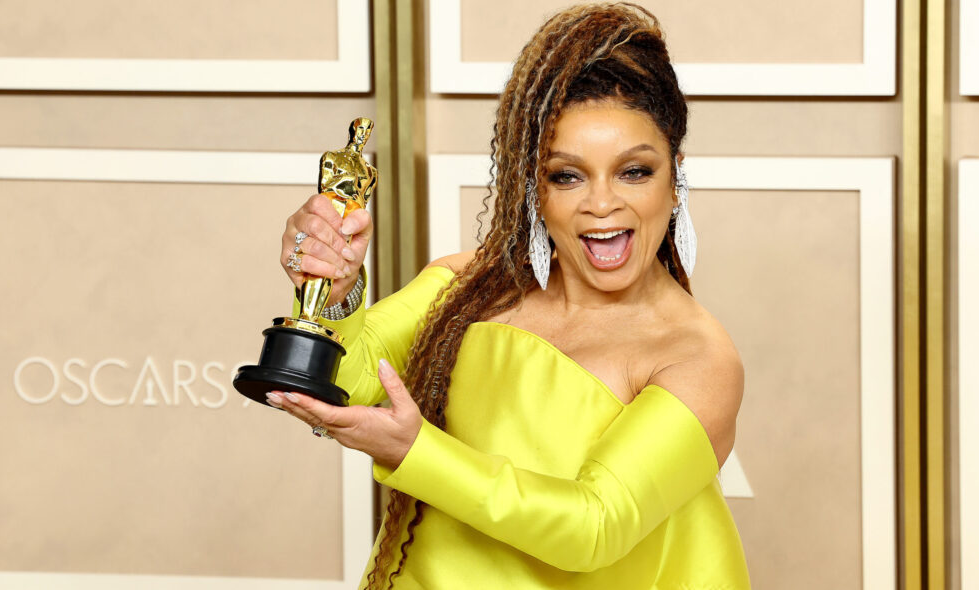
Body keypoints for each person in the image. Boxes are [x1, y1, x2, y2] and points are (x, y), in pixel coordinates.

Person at [266, 3, 751, 588]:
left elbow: (592, 527)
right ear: (533, 191)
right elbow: (353, 376)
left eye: (634, 171)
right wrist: (335, 292)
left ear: (675, 180)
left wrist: (415, 452)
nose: (601, 204)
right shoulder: (469, 286)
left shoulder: (696, 357)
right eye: (566, 176)